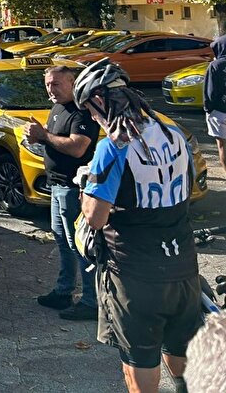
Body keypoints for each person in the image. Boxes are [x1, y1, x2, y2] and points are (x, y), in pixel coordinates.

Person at [77, 59, 199, 393]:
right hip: (183, 266)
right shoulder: (174, 133)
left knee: (140, 366)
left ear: (100, 101)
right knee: (181, 351)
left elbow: (95, 218)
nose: (90, 117)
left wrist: (87, 190)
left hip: (135, 272)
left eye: (89, 108)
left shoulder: (113, 146)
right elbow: (187, 192)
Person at [23, 65, 99, 320]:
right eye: (47, 84)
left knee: (80, 245)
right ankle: (64, 291)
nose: (51, 89)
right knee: (63, 242)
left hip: (72, 188)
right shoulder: (58, 108)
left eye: (56, 84)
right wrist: (36, 137)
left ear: (72, 82)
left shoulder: (82, 111)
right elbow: (52, 137)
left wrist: (44, 136)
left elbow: (78, 148)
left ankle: (91, 301)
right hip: (55, 185)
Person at [202, 34, 226, 170]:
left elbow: (210, 91)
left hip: (220, 112)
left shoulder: (215, 65)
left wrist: (208, 109)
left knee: (222, 146)